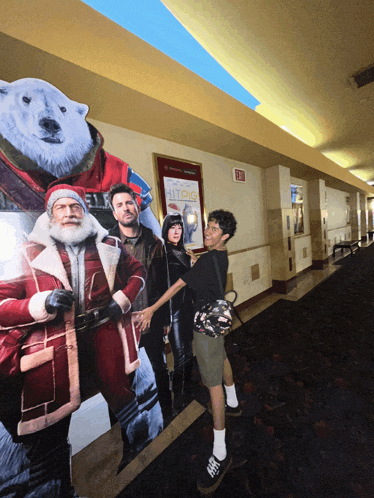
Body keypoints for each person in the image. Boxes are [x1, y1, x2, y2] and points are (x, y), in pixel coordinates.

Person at [0, 184, 153, 497]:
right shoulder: (28, 254)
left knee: (122, 395)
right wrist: (39, 303)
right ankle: (55, 485)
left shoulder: (108, 244)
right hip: (54, 352)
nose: (69, 213)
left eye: (75, 207)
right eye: (61, 208)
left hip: (105, 339)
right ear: (50, 213)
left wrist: (123, 298)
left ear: (84, 212)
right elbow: (2, 306)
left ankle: (144, 457)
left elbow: (138, 271)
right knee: (52, 428)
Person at [136, 209, 241, 495]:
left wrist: (152, 308)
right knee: (222, 357)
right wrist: (197, 260)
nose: (207, 231)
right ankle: (233, 401)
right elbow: (203, 271)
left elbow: (176, 286)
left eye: (214, 229)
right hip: (219, 320)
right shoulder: (219, 256)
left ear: (225, 236)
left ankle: (220, 453)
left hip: (205, 327)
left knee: (212, 385)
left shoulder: (207, 260)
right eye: (208, 225)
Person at [108, 183, 171, 418]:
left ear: (137, 206)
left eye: (129, 203)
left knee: (159, 370)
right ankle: (128, 431)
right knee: (123, 381)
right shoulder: (106, 245)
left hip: (150, 320)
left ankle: (167, 414)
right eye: (120, 205)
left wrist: (163, 316)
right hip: (120, 329)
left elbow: (162, 282)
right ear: (115, 213)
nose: (126, 208)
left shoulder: (155, 242)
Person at [161, 213, 196, 415]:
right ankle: (178, 398)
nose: (176, 231)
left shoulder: (184, 252)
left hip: (188, 308)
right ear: (166, 229)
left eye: (179, 228)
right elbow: (162, 288)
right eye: (172, 227)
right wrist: (165, 317)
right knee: (180, 354)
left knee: (188, 352)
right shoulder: (163, 253)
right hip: (173, 311)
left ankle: (187, 389)